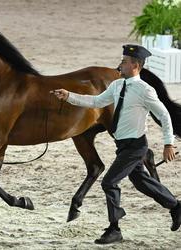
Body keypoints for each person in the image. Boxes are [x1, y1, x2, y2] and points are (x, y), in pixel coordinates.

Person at [51, 44, 181, 244]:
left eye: (124, 62)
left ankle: (114, 229)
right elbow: (95, 102)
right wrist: (69, 96)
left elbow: (164, 115)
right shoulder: (117, 86)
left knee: (109, 182)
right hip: (122, 146)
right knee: (142, 182)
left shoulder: (145, 90)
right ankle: (176, 206)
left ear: (136, 65)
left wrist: (168, 144)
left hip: (136, 146)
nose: (120, 65)